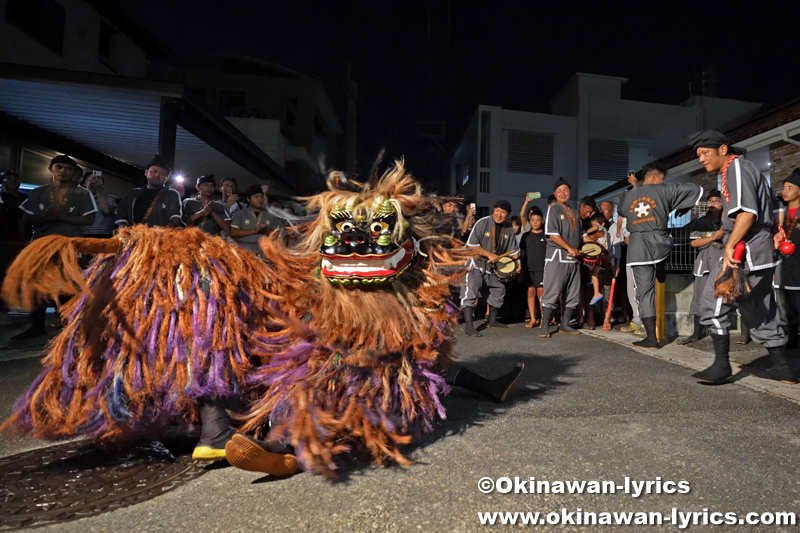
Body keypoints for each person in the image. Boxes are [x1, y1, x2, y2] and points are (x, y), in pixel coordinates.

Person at [688, 130, 795, 383]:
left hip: (744, 250)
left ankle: (722, 365)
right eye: (699, 155)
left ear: (723, 150)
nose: (701, 159)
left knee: (711, 302)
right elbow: (776, 207)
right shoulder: (741, 170)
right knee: (758, 310)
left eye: (705, 153)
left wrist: (729, 245)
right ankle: (782, 368)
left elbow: (746, 214)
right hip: (761, 251)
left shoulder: (736, 168)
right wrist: (777, 232)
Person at [619, 162, 702, 349]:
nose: (663, 181)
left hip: (638, 246)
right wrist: (684, 208)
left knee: (644, 293)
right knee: (660, 261)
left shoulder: (627, 195)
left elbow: (623, 211)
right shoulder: (665, 190)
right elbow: (697, 189)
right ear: (655, 177)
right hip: (660, 243)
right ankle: (661, 267)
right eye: (662, 178)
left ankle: (651, 338)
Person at [14, 155, 97, 339]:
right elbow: (27, 219)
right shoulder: (38, 193)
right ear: (51, 169)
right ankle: (36, 325)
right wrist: (45, 217)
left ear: (75, 173)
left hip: (70, 243)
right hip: (42, 242)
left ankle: (66, 323)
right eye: (59, 167)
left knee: (68, 283)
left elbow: (89, 219)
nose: (63, 171)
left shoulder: (83, 193)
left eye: (68, 169)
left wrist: (61, 217)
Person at [460, 199, 519, 336]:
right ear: (493, 210)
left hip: (490, 267)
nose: (499, 214)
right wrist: (488, 254)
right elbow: (471, 245)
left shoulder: (509, 228)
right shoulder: (482, 222)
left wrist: (517, 261)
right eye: (497, 211)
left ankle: (492, 320)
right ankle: (469, 327)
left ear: (507, 214)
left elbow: (514, 252)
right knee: (470, 292)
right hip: (474, 263)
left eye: (503, 212)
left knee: (499, 288)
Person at [540, 177, 583, 337]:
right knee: (552, 291)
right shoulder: (554, 209)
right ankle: (545, 326)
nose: (563, 193)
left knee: (573, 293)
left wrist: (593, 241)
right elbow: (552, 233)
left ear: (569, 192)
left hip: (573, 258)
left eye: (565, 190)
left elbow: (582, 234)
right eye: (559, 190)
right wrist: (570, 248)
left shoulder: (574, 212)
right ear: (555, 193)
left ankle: (565, 324)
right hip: (557, 257)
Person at [682, 189, 724, 344]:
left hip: (723, 258)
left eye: (717, 200)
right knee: (700, 295)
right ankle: (697, 332)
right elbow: (694, 242)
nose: (713, 203)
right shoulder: (700, 221)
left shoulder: (729, 220)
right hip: (705, 260)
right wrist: (713, 237)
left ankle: (718, 330)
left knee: (722, 295)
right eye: (711, 200)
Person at [773, 169, 800, 351]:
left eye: (790, 187)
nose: (785, 191)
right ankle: (791, 336)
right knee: (784, 306)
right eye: (784, 187)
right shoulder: (779, 213)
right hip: (781, 266)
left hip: (798, 265)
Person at [116, 155, 182, 228]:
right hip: (132, 237)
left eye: (162, 173)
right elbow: (121, 216)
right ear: (146, 172)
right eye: (154, 171)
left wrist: (160, 232)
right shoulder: (132, 193)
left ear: (167, 178)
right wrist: (125, 232)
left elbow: (175, 218)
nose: (157, 175)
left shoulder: (171, 194)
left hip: (158, 237)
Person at [230, 184, 280, 256]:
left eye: (261, 197)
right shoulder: (240, 214)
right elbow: (233, 233)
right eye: (256, 197)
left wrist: (265, 231)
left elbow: (278, 235)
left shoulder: (270, 215)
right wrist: (254, 231)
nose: (260, 199)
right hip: (244, 249)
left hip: (265, 250)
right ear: (248, 199)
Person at [519, 207, 546, 328]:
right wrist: (521, 268)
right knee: (530, 292)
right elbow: (522, 253)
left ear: (542, 221)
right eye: (533, 220)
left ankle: (543, 319)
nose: (535, 222)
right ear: (530, 221)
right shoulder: (525, 236)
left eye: (538, 220)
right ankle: (533, 319)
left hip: (542, 269)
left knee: (541, 293)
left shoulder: (546, 235)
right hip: (528, 269)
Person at [80, 171, 118, 238]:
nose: (94, 182)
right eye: (90, 179)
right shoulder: (79, 197)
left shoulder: (109, 198)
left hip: (104, 234)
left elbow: (106, 211)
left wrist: (99, 191)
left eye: (98, 180)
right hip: (83, 234)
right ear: (83, 183)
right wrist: (88, 190)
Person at [1, 171, 27, 241]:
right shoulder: (1, 197)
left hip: (26, 232)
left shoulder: (27, 196)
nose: (13, 181)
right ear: (2, 182)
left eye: (16, 179)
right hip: (5, 234)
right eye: (9, 178)